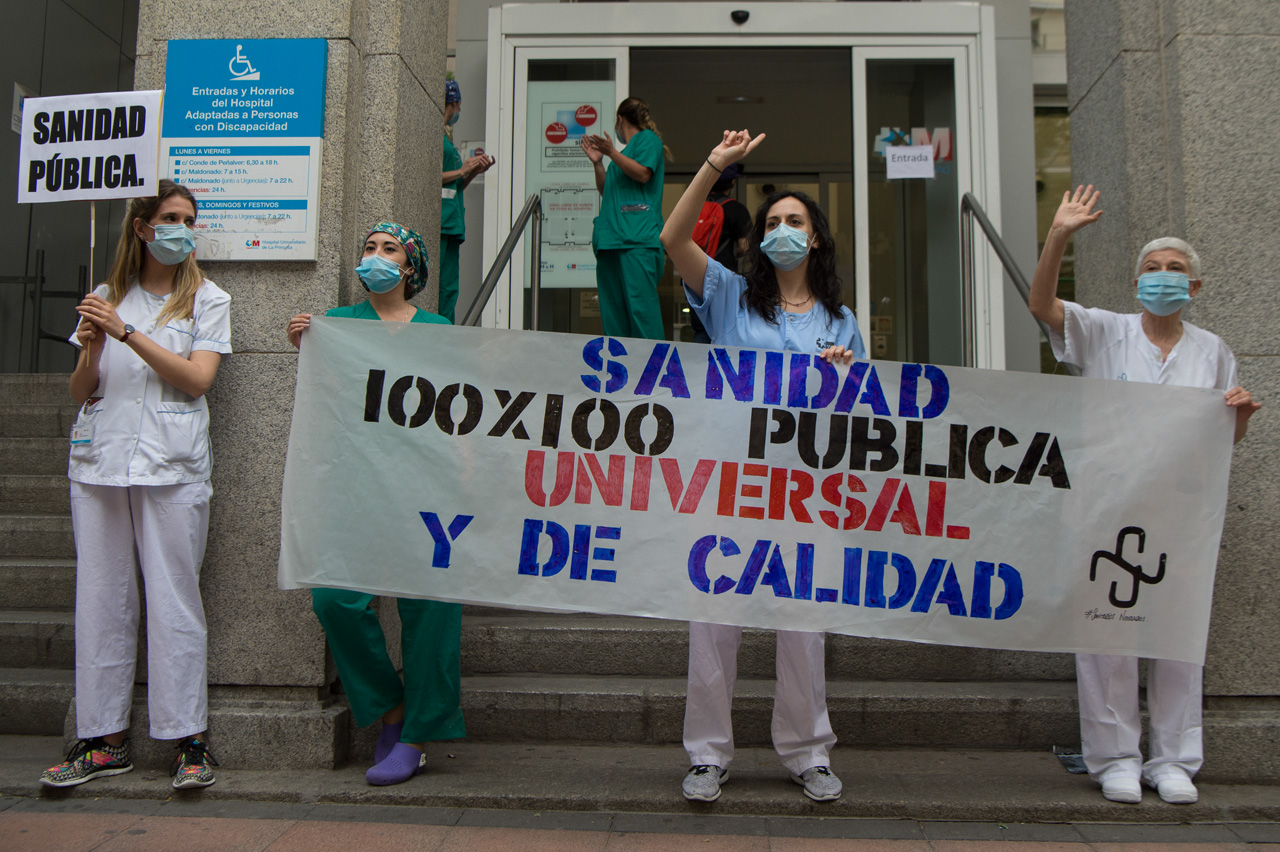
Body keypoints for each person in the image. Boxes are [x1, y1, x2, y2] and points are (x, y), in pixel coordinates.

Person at [1030, 185, 1260, 806]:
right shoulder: (1106, 332)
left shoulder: (1213, 352)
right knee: (1107, 632)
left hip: (1182, 516)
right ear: (1136, 284)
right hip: (1107, 509)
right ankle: (1115, 758)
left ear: (1195, 286)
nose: (1163, 277)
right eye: (1152, 268)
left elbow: (1219, 439)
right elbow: (1042, 304)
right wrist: (1059, 235)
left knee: (1177, 634)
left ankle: (1174, 759)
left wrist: (1241, 416)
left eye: (1175, 269)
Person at [660, 130, 866, 804]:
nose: (781, 231)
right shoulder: (728, 296)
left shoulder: (841, 320)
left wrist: (845, 376)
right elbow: (672, 238)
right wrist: (713, 166)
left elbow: (863, 418)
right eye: (772, 221)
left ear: (816, 238)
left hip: (806, 493)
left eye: (794, 222)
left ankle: (808, 752)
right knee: (713, 620)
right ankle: (707, 755)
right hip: (730, 485)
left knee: (803, 625)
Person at [43, 180, 231, 790]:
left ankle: (188, 740)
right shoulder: (105, 297)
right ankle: (104, 740)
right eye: (172, 218)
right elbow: (82, 390)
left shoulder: (207, 299)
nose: (183, 229)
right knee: (102, 598)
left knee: (175, 599)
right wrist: (91, 348)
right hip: (100, 460)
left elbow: (197, 380)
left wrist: (126, 334)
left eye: (190, 220)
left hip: (172, 465)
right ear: (142, 227)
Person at [286, 222, 465, 786]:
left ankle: (416, 734)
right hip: (357, 484)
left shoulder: (438, 330)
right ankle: (391, 708)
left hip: (425, 483)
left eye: (390, 249)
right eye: (369, 247)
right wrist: (309, 349)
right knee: (335, 598)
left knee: (432, 608)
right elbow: (331, 400)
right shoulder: (337, 324)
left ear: (410, 268)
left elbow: (459, 410)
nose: (376, 256)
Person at [580, 97, 671, 339]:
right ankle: (618, 362)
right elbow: (607, 190)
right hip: (611, 242)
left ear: (620, 119)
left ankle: (652, 363)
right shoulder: (622, 157)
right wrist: (598, 163)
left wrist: (611, 152)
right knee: (614, 317)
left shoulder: (648, 140)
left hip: (637, 241)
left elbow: (643, 174)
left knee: (641, 313)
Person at [439, 77, 495, 323]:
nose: (459, 111)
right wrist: (462, 170)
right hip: (441, 223)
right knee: (440, 287)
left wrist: (472, 172)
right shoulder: (436, 138)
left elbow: (455, 185)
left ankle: (446, 331)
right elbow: (427, 178)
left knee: (449, 289)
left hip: (452, 224)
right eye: (459, 106)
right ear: (452, 103)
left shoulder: (446, 139)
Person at [688, 162, 752, 343]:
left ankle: (698, 361)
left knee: (701, 330)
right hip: (723, 276)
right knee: (725, 328)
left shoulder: (694, 207)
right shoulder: (736, 209)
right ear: (732, 183)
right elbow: (745, 246)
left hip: (694, 276)